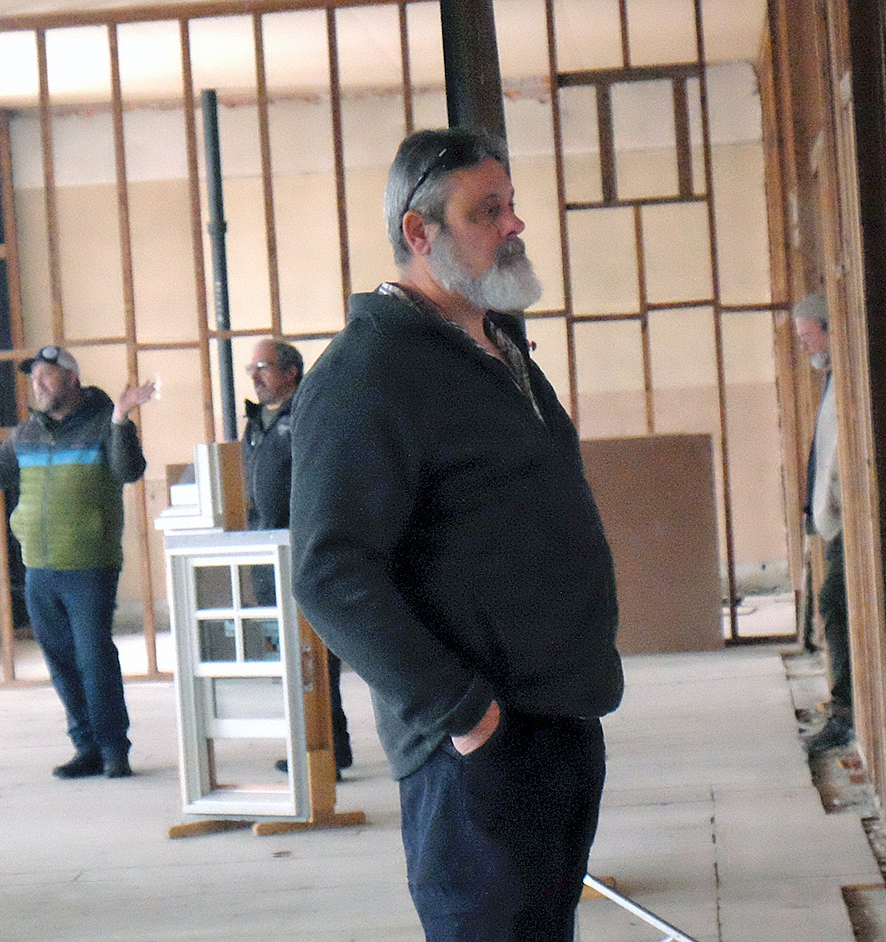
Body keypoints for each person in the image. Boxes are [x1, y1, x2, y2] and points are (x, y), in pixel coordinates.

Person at [288, 126, 624, 941]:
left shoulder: (494, 346)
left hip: (555, 718)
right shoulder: (368, 372)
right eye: (489, 210)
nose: (514, 226)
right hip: (474, 747)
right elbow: (330, 573)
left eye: (511, 206)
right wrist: (463, 714)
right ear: (418, 231)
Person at [0, 346, 155, 780]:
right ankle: (86, 747)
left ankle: (114, 748)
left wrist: (122, 420)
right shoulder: (26, 433)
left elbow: (128, 470)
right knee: (60, 661)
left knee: (94, 658)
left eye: (47, 377)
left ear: (72, 379)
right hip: (38, 568)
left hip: (90, 564)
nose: (37, 385)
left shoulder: (104, 422)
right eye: (34, 378)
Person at [241, 338, 352, 778]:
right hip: (264, 552)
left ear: (291, 371)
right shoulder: (255, 421)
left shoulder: (310, 410)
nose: (255, 375)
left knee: (313, 656)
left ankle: (319, 749)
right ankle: (329, 745)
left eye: (263, 366)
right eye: (252, 367)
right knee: (289, 656)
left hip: (302, 551)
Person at [792, 292, 854, 755]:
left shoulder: (845, 381)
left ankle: (845, 712)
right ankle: (843, 708)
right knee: (833, 604)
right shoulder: (833, 380)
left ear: (828, 329)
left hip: (851, 520)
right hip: (838, 521)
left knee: (834, 602)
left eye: (808, 336)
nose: (806, 346)